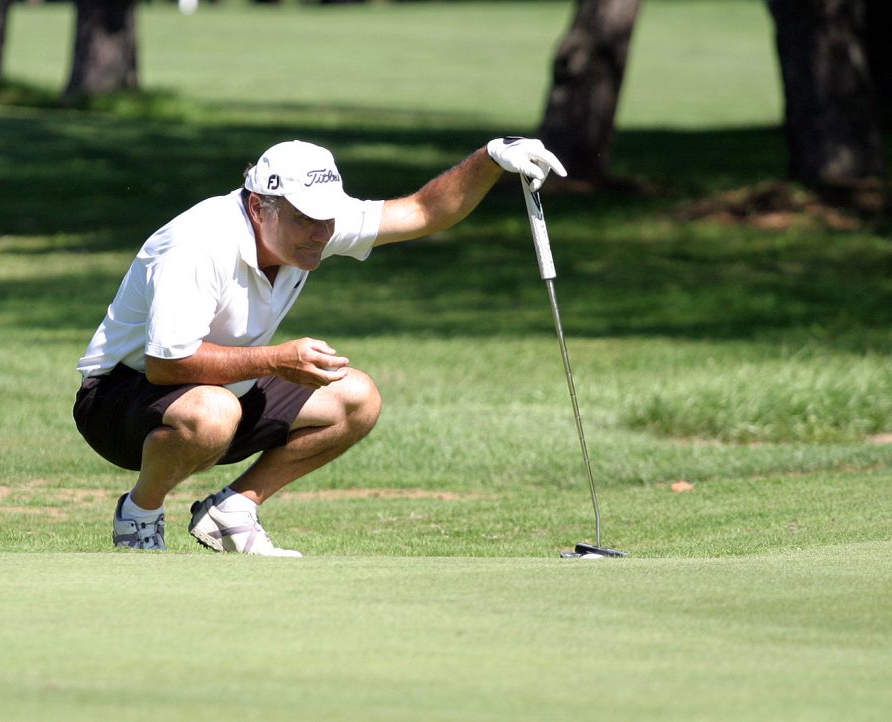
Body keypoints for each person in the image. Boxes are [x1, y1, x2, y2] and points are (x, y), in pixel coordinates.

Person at [73, 137, 566, 555]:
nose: (320, 233)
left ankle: (233, 509)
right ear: (257, 206)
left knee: (356, 398)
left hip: (220, 389)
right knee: (213, 411)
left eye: (327, 220)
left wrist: (491, 158)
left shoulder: (309, 225)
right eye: (306, 219)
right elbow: (166, 364)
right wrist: (276, 360)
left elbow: (423, 211)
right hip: (121, 399)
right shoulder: (197, 244)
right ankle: (140, 513)